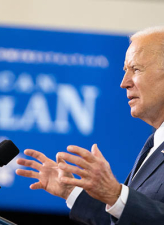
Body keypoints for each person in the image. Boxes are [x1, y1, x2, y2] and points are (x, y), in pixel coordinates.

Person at [16, 26, 164, 225]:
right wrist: (71, 191)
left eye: (136, 69)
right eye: (125, 71)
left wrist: (116, 194)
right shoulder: (154, 144)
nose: (124, 82)